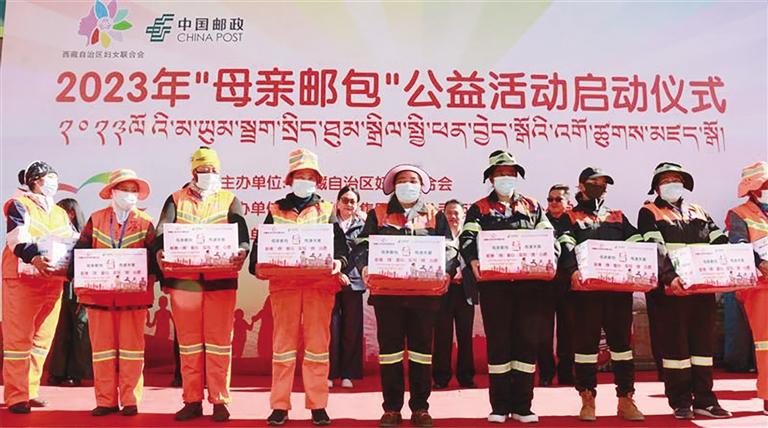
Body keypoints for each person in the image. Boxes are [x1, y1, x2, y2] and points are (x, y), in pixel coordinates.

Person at [249, 148, 348, 426]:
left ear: (317, 181)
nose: (305, 181)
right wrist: (257, 264)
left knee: (318, 348)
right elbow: (261, 246)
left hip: (319, 287)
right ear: (291, 179)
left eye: (310, 177)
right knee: (283, 348)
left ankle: (318, 405)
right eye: (300, 176)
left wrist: (339, 261)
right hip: (286, 287)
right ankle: (279, 406)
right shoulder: (276, 209)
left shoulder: (327, 209)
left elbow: (340, 246)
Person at [460, 150, 559, 424]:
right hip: (495, 288)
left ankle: (523, 406)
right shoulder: (479, 208)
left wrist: (552, 258)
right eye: (501, 174)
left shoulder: (533, 206)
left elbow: (550, 238)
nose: (506, 178)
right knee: (499, 345)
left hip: (530, 288)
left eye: (511, 173)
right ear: (491, 178)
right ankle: (500, 406)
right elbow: (467, 238)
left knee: (526, 345)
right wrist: (473, 259)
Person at [354, 164, 456, 428]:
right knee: (390, 353)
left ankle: (420, 408)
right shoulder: (377, 213)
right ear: (393, 186)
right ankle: (391, 409)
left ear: (421, 186)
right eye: (402, 180)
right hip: (388, 297)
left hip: (424, 297)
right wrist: (364, 267)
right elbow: (362, 245)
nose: (408, 184)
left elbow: (449, 248)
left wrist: (447, 270)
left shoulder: (434, 214)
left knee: (422, 353)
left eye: (413, 180)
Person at [155, 147, 250, 422]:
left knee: (220, 344)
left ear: (218, 171)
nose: (208, 174)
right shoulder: (176, 199)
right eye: (203, 170)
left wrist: (242, 251)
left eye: (212, 170)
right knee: (189, 345)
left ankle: (220, 401)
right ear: (193, 172)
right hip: (184, 284)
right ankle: (192, 400)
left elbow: (242, 236)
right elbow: (162, 230)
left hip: (221, 282)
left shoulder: (230, 200)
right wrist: (160, 250)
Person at [637, 162, 731, 420]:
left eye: (675, 179)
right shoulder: (649, 212)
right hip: (670, 292)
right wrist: (670, 278)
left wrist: (737, 264)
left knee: (703, 348)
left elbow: (719, 241)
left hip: (701, 290)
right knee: (674, 349)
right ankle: (680, 401)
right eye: (665, 180)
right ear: (657, 187)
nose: (671, 184)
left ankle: (705, 400)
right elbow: (656, 248)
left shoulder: (698, 211)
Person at [559, 168, 645, 422]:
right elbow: (565, 246)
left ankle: (626, 398)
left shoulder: (617, 216)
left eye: (603, 183)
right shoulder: (569, 217)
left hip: (617, 292)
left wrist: (641, 262)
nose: (600, 186)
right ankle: (587, 398)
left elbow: (637, 241)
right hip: (585, 294)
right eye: (594, 182)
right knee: (585, 348)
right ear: (581, 186)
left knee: (622, 347)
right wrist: (572, 270)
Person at [69, 169, 156, 417]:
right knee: (102, 352)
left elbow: (155, 258)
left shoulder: (146, 222)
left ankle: (130, 400)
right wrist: (75, 277)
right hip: (99, 298)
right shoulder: (96, 219)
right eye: (124, 190)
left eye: (133, 191)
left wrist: (146, 273)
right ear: (112, 192)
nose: (129, 195)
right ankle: (105, 400)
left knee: (132, 351)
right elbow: (81, 250)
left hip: (133, 298)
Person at [2, 161, 77, 414]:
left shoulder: (59, 212)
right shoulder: (19, 204)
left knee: (42, 340)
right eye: (49, 177)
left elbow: (72, 239)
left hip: (51, 281)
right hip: (22, 279)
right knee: (18, 340)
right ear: (35, 180)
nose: (54, 182)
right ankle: (16, 396)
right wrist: (33, 257)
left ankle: (30, 389)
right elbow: (17, 237)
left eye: (55, 177)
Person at [725, 160, 768, 415]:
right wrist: (760, 263)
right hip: (761, 287)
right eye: (764, 184)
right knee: (766, 344)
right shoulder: (739, 214)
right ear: (752, 188)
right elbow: (738, 244)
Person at [432, 199, 477, 390]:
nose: (453, 216)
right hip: (444, 290)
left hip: (465, 290)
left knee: (465, 336)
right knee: (442, 335)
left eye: (456, 213)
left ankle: (466, 377)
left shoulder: (471, 235)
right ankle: (441, 377)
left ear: (463, 215)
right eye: (449, 213)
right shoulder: (438, 235)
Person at [48, 198, 93, 388]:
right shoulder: (54, 234)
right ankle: (57, 372)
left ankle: (76, 373)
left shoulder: (84, 235)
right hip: (59, 286)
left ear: (71, 213)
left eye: (61, 212)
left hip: (79, 287)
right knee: (61, 329)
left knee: (80, 328)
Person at [537, 184, 575, 387]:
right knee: (543, 332)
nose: (553, 203)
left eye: (558, 199)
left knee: (568, 332)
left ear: (568, 202)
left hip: (569, 285)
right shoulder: (540, 222)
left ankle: (566, 373)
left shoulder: (574, 221)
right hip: (544, 285)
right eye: (550, 199)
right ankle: (546, 373)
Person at [329, 186, 366, 390]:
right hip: (330, 280)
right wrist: (336, 273)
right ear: (337, 202)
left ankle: (348, 374)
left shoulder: (362, 226)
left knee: (351, 330)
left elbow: (364, 254)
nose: (349, 205)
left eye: (353, 201)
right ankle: (330, 373)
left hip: (354, 282)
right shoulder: (329, 223)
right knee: (331, 330)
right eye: (345, 200)